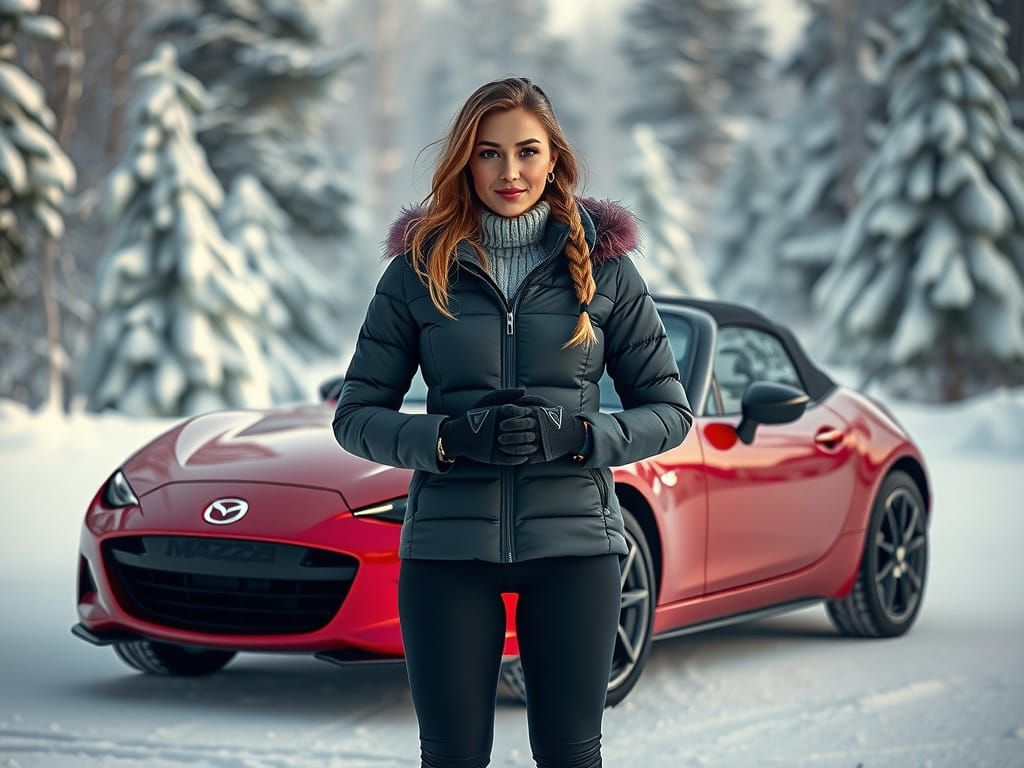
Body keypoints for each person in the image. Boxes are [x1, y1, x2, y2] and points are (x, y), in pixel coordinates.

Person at [332, 76, 693, 768]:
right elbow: (356, 416)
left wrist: (580, 436)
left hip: (576, 547)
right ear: (465, 161)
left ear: (554, 158)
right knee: (452, 758)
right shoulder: (416, 270)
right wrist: (447, 439)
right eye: (489, 153)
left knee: (569, 755)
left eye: (527, 151)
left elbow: (670, 412)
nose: (510, 172)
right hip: (447, 551)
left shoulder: (609, 271)